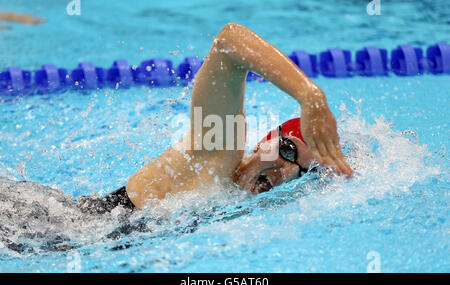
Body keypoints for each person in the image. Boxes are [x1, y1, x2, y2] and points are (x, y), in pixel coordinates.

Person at [78, 23, 353, 214]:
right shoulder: (218, 154)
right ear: (264, 143)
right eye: (287, 150)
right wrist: (310, 96)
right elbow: (229, 41)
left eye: (300, 173)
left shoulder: (234, 205)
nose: (288, 171)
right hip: (55, 228)